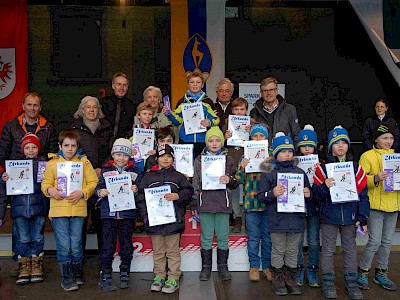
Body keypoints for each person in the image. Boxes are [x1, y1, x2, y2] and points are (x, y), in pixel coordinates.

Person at [0, 92, 58, 277]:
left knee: (35, 230)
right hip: (17, 184)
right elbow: (3, 152)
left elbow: (51, 154)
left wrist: (46, 171)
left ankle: (35, 263)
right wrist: (5, 173)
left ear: (40, 108)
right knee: (20, 229)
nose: (32, 108)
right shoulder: (11, 126)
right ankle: (20, 262)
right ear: (23, 105)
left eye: (36, 105)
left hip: (37, 185)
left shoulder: (48, 127)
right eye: (29, 105)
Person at [313, 126, 369, 300]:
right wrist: (325, 186)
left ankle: (351, 283)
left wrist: (362, 217)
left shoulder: (356, 168)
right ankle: (328, 282)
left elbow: (363, 195)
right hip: (329, 216)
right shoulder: (323, 169)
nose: (341, 145)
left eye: (344, 142)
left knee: (351, 250)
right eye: (336, 142)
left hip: (351, 217)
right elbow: (315, 195)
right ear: (330, 146)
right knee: (328, 250)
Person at [41, 129, 98, 292]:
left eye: (73, 145)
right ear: (60, 146)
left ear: (77, 146)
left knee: (76, 244)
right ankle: (67, 277)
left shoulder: (84, 163)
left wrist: (83, 192)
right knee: (64, 245)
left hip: (78, 211)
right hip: (58, 212)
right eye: (66, 145)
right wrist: (50, 190)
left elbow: (93, 181)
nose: (70, 149)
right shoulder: (52, 163)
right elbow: (45, 183)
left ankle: (77, 273)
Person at [257, 132, 311, 296]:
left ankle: (291, 279)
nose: (287, 154)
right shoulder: (270, 174)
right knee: (278, 250)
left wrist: (309, 193)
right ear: (275, 154)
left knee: (293, 250)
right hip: (277, 221)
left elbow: (309, 195)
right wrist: (272, 193)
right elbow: (261, 196)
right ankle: (278, 279)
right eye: (283, 151)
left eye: (289, 151)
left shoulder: (300, 173)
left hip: (296, 220)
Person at [137, 144, 194, 294]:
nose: (165, 159)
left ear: (173, 159)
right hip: (154, 222)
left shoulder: (178, 176)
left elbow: (189, 191)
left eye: (169, 156)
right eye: (162, 156)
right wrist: (145, 216)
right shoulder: (148, 177)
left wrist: (178, 196)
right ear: (156, 159)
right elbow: (141, 198)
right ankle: (159, 276)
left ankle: (173, 277)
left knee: (173, 252)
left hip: (173, 221)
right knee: (158, 252)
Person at [191, 126, 238, 281]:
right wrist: (194, 204)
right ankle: (206, 267)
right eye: (211, 140)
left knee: (223, 236)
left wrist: (228, 179)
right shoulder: (199, 160)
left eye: (218, 140)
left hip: (222, 204)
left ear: (222, 141)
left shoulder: (228, 159)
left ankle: (223, 266)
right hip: (205, 204)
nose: (214, 143)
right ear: (206, 142)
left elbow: (235, 181)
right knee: (206, 236)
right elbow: (196, 182)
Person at [95, 138, 142, 292]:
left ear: (130, 157)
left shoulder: (135, 172)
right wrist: (100, 192)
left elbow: (140, 190)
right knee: (107, 246)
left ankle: (124, 272)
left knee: (126, 245)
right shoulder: (105, 171)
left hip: (127, 215)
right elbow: (99, 188)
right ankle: (105, 274)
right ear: (113, 155)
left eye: (125, 155)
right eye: (118, 154)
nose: (121, 158)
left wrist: (136, 190)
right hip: (109, 214)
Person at [357, 122, 399, 291]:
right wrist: (375, 178)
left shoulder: (396, 157)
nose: (389, 141)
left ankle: (381, 272)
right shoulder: (367, 156)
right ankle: (363, 271)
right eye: (385, 138)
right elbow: (359, 180)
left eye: (391, 138)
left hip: (393, 204)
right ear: (376, 140)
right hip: (375, 205)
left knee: (387, 241)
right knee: (374, 241)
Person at [0, 133, 47, 285]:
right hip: (19, 209)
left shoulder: (43, 165)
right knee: (23, 238)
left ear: (38, 149)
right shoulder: (14, 166)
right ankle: (24, 267)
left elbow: (47, 186)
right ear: (23, 149)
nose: (31, 150)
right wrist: (4, 178)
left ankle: (36, 265)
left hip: (38, 207)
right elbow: (5, 187)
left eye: (34, 147)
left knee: (38, 237)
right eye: (27, 147)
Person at [71, 95, 113, 252]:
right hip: (82, 181)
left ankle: (104, 262)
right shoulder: (74, 129)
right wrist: (88, 170)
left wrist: (102, 168)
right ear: (82, 110)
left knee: (102, 222)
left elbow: (112, 151)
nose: (91, 110)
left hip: (102, 179)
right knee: (80, 223)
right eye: (88, 107)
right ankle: (78, 259)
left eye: (94, 107)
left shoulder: (107, 127)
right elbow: (73, 152)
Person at [235, 123, 272, 282]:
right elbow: (238, 180)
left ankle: (267, 266)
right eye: (255, 136)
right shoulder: (246, 156)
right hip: (251, 203)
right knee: (253, 237)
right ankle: (254, 266)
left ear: (266, 139)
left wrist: (272, 164)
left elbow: (277, 178)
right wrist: (241, 167)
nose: (258, 139)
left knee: (268, 237)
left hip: (269, 204)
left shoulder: (271, 156)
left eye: (261, 136)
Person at [164, 71, 219, 157]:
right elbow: (177, 121)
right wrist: (169, 114)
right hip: (185, 140)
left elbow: (216, 119)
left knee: (201, 168)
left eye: (198, 82)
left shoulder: (208, 102)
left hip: (203, 140)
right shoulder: (182, 102)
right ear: (188, 84)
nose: (195, 84)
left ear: (202, 85)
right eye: (192, 82)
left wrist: (209, 122)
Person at [295, 124, 321, 288]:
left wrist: (320, 173)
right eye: (303, 146)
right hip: (297, 207)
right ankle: (298, 268)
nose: (306, 149)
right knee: (297, 241)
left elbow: (325, 188)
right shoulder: (293, 162)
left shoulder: (321, 163)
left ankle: (312, 269)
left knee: (313, 241)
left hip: (314, 207)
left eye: (310, 146)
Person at [224, 97, 253, 233]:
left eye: (242, 109)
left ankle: (249, 220)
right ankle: (237, 217)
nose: (239, 112)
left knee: (248, 191)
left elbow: (259, 141)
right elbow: (218, 144)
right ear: (232, 110)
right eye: (236, 109)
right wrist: (225, 136)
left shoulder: (251, 125)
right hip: (231, 162)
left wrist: (251, 133)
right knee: (234, 191)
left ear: (246, 110)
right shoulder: (227, 124)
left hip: (246, 163)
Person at [250, 76, 301, 145]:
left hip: (284, 152)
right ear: (261, 93)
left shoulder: (289, 109)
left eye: (271, 90)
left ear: (276, 91)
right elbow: (251, 136)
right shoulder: (254, 112)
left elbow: (296, 135)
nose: (268, 93)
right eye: (265, 90)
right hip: (263, 153)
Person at [101, 72, 138, 144]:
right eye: (119, 84)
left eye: (124, 85)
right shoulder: (103, 103)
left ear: (127, 88)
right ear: (113, 86)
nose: (122, 88)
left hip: (123, 145)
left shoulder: (131, 106)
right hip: (103, 144)